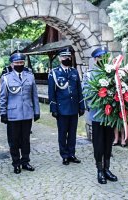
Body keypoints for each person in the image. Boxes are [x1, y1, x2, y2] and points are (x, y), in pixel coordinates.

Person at [0, 52, 40, 174]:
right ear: (12, 64)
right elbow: (3, 98)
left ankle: (25, 161)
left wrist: (36, 111)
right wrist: (3, 113)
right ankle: (16, 163)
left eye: (21, 62)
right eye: (16, 63)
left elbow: (34, 96)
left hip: (27, 113)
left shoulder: (30, 76)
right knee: (14, 141)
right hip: (13, 115)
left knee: (25, 140)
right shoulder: (6, 78)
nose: (19, 64)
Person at [83, 47, 118, 184]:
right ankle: (99, 170)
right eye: (100, 58)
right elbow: (87, 95)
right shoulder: (90, 75)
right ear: (95, 59)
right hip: (98, 114)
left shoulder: (112, 73)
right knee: (98, 144)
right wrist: (102, 101)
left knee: (108, 142)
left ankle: (107, 169)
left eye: (105, 57)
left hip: (110, 116)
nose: (103, 60)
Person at [48, 47, 85, 166]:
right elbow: (51, 92)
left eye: (68, 57)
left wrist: (81, 105)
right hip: (61, 108)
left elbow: (79, 89)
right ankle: (64, 155)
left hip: (74, 108)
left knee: (73, 133)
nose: (67, 59)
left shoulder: (74, 72)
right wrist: (53, 108)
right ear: (59, 58)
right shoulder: (54, 73)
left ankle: (71, 154)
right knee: (63, 133)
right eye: (64, 57)